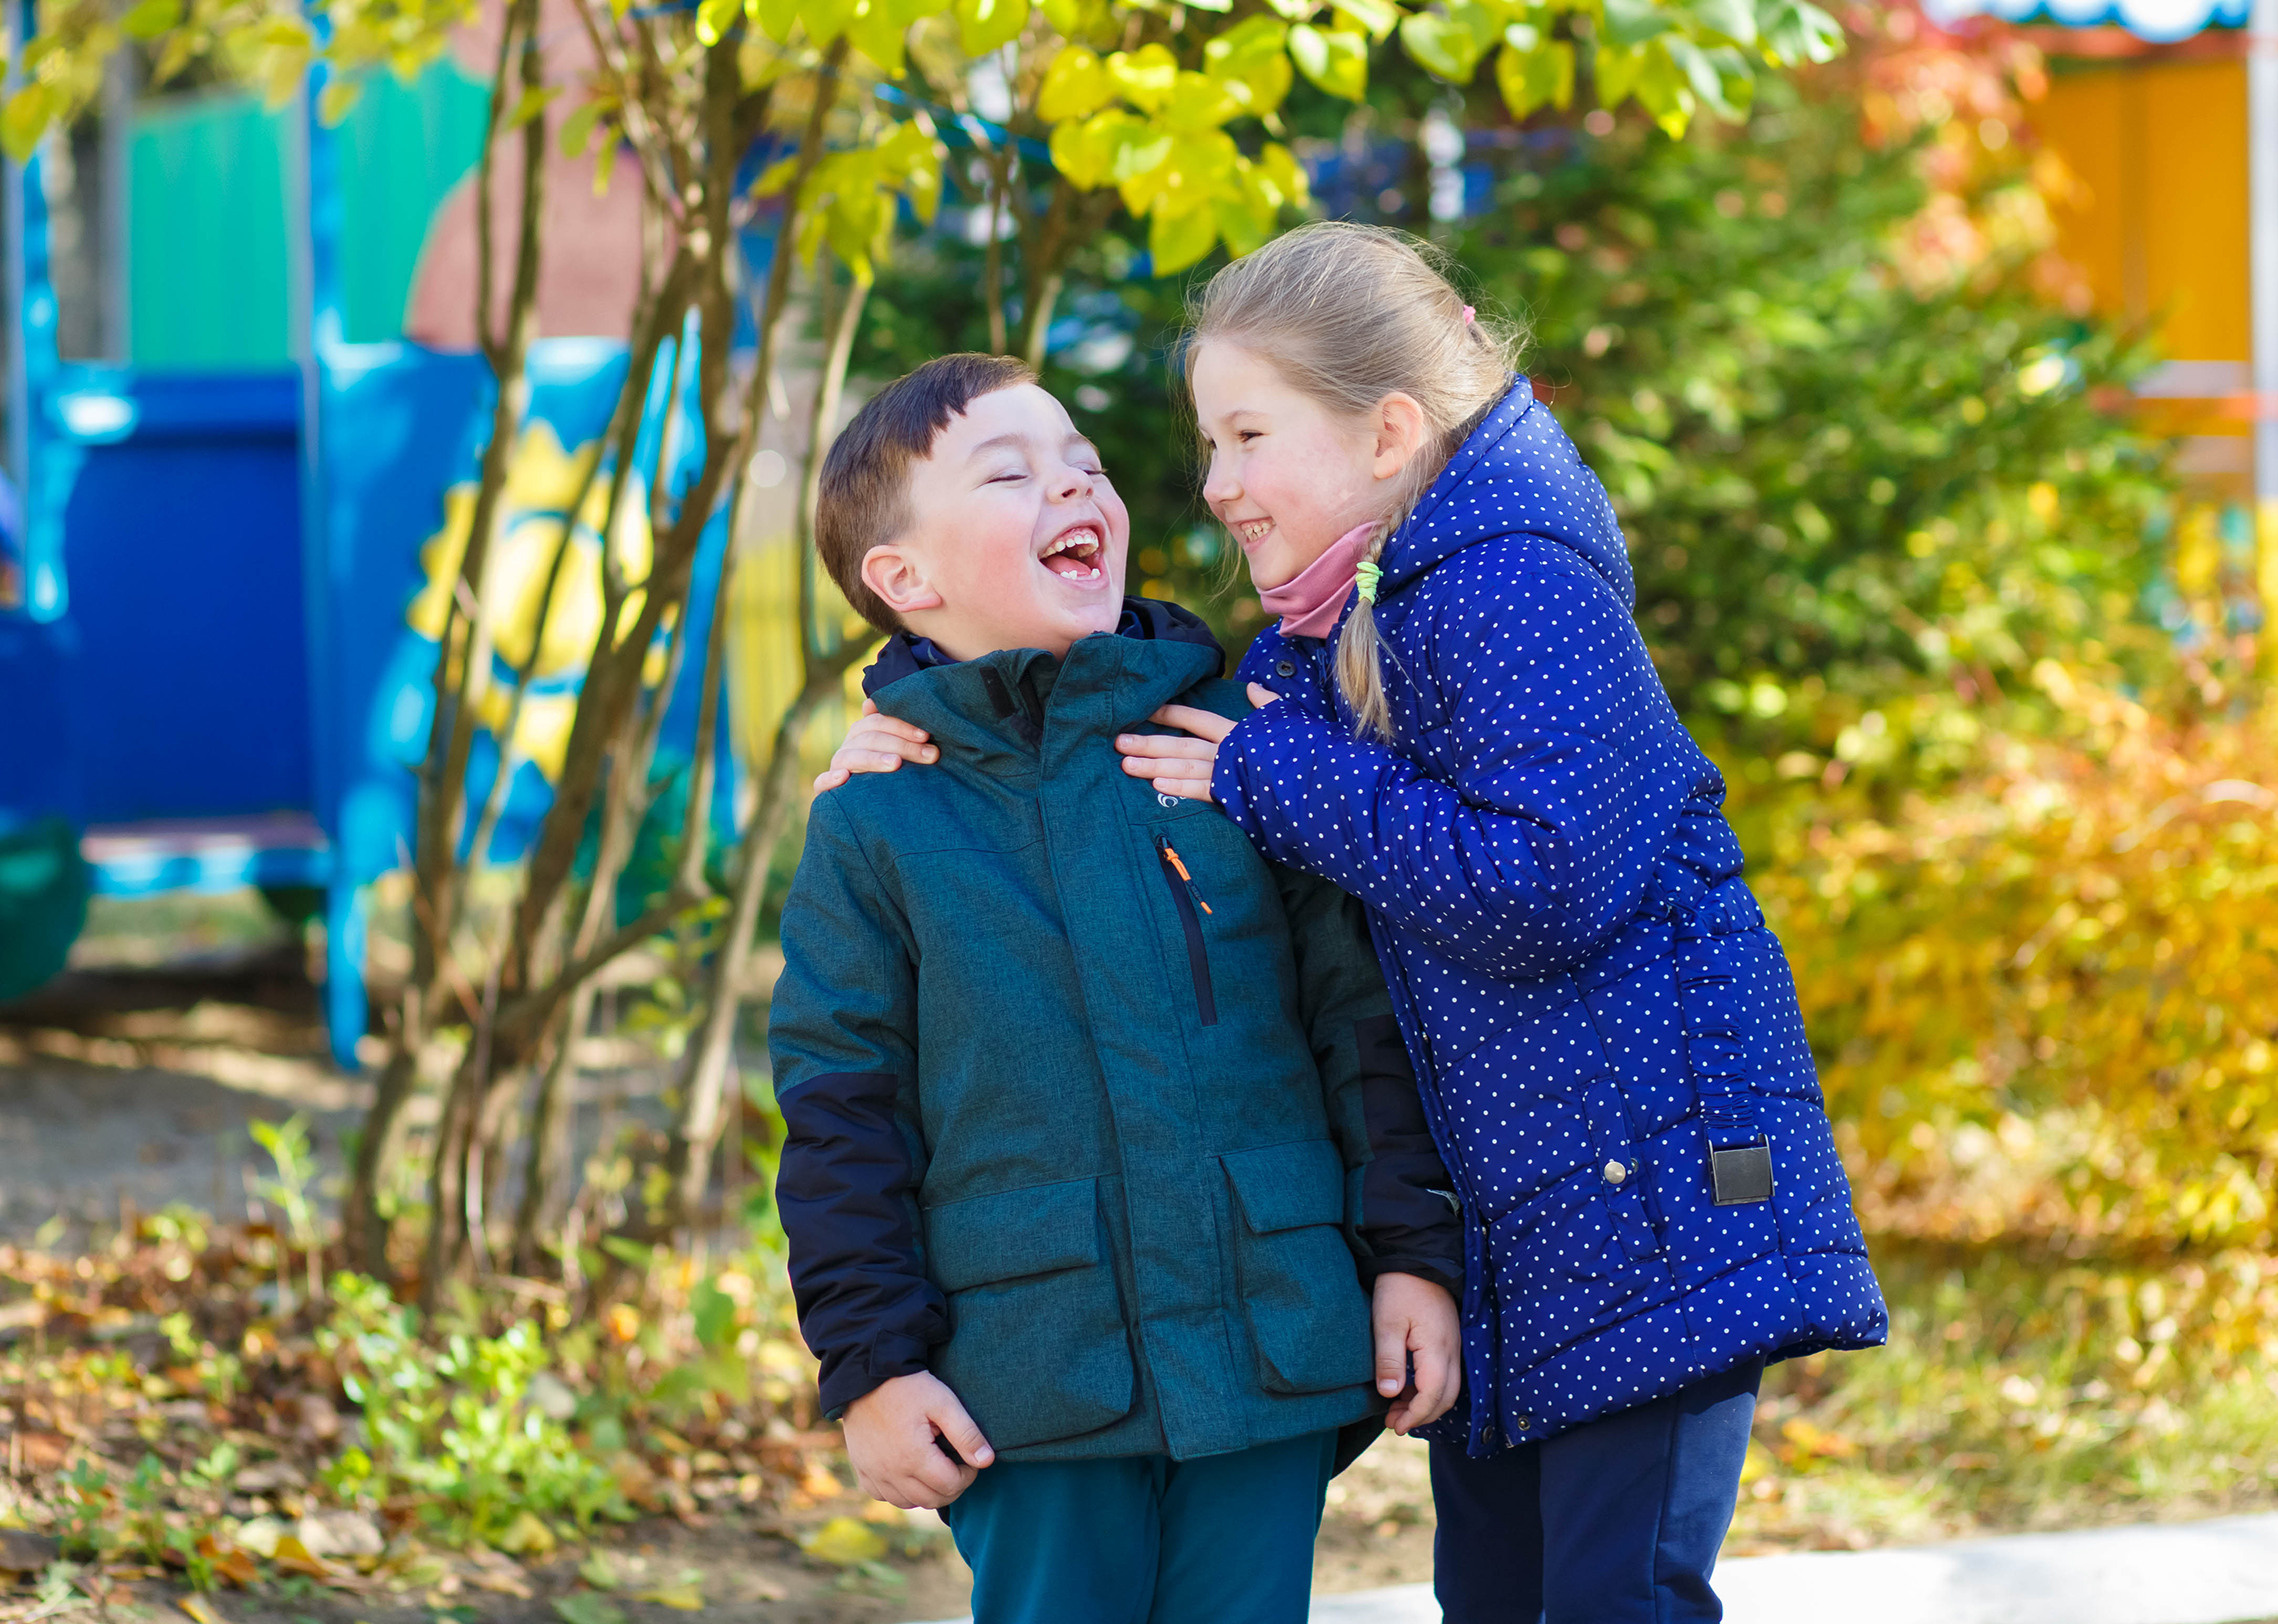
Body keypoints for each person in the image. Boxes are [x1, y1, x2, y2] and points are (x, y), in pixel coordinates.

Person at [817, 227, 1889, 1624]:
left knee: (1612, 1598)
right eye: (1205, 442)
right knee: (1501, 1597)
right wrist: (911, 719)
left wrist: (1403, 1256)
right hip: (1534, 1235)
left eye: (1246, 435)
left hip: (1652, 1210)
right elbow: (1108, 744)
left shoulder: (1513, 584)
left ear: (1385, 433)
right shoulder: (1329, 631)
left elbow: (1533, 892)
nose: (1209, 484)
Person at [769, 350, 1464, 1624]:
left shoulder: (1228, 745)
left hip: (1267, 1337)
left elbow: (1356, 1024)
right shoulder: (877, 822)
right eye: (1009, 470)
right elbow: (839, 1110)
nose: (1071, 481)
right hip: (1031, 1378)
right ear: (903, 578)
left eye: (1081, 459)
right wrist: (871, 1364)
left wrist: (1411, 1257)